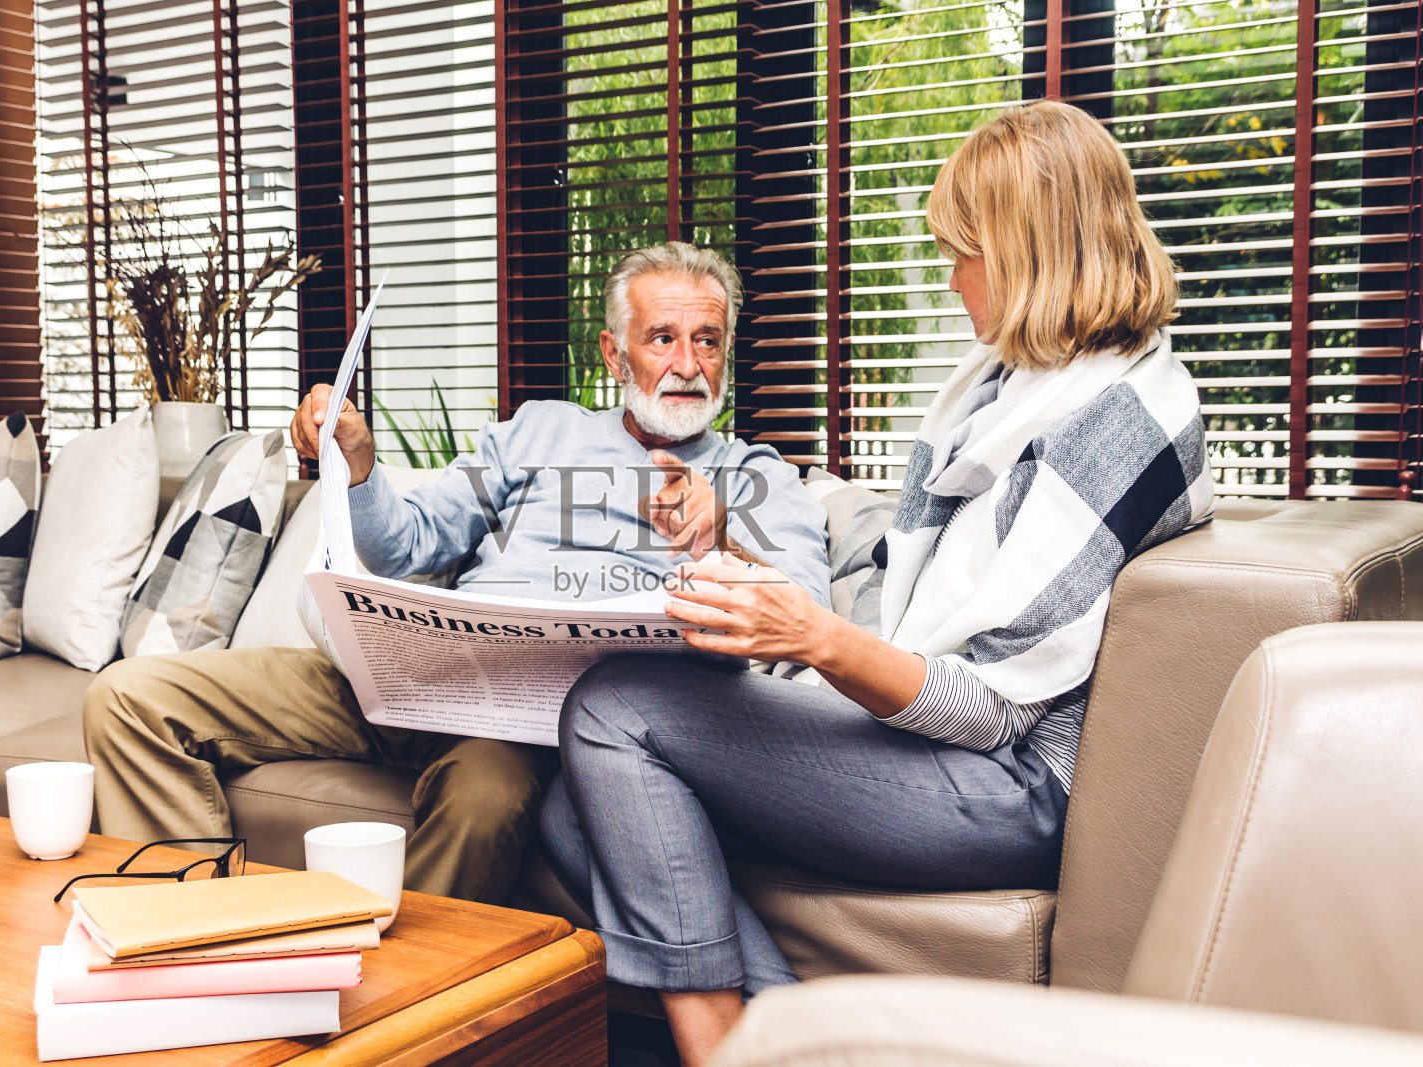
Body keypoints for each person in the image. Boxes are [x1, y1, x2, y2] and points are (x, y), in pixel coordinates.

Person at [538, 100, 1215, 1066]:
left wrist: (813, 636)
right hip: (942, 750)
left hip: (1007, 785)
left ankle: (730, 1052)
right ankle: (799, 1045)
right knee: (576, 803)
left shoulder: (1118, 419)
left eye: (964, 252)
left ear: (1027, 252)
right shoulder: (1014, 385)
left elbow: (994, 711)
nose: (951, 280)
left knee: (614, 710)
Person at [83, 242, 830, 906]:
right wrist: (363, 463)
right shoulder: (541, 429)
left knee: (485, 802)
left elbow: (805, 622)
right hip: (410, 671)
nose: (689, 365)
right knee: (131, 698)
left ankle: (396, 1018)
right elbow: (407, 544)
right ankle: (186, 937)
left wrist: (726, 543)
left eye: (708, 340)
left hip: (520, 725)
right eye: (663, 338)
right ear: (613, 353)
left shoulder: (755, 477)